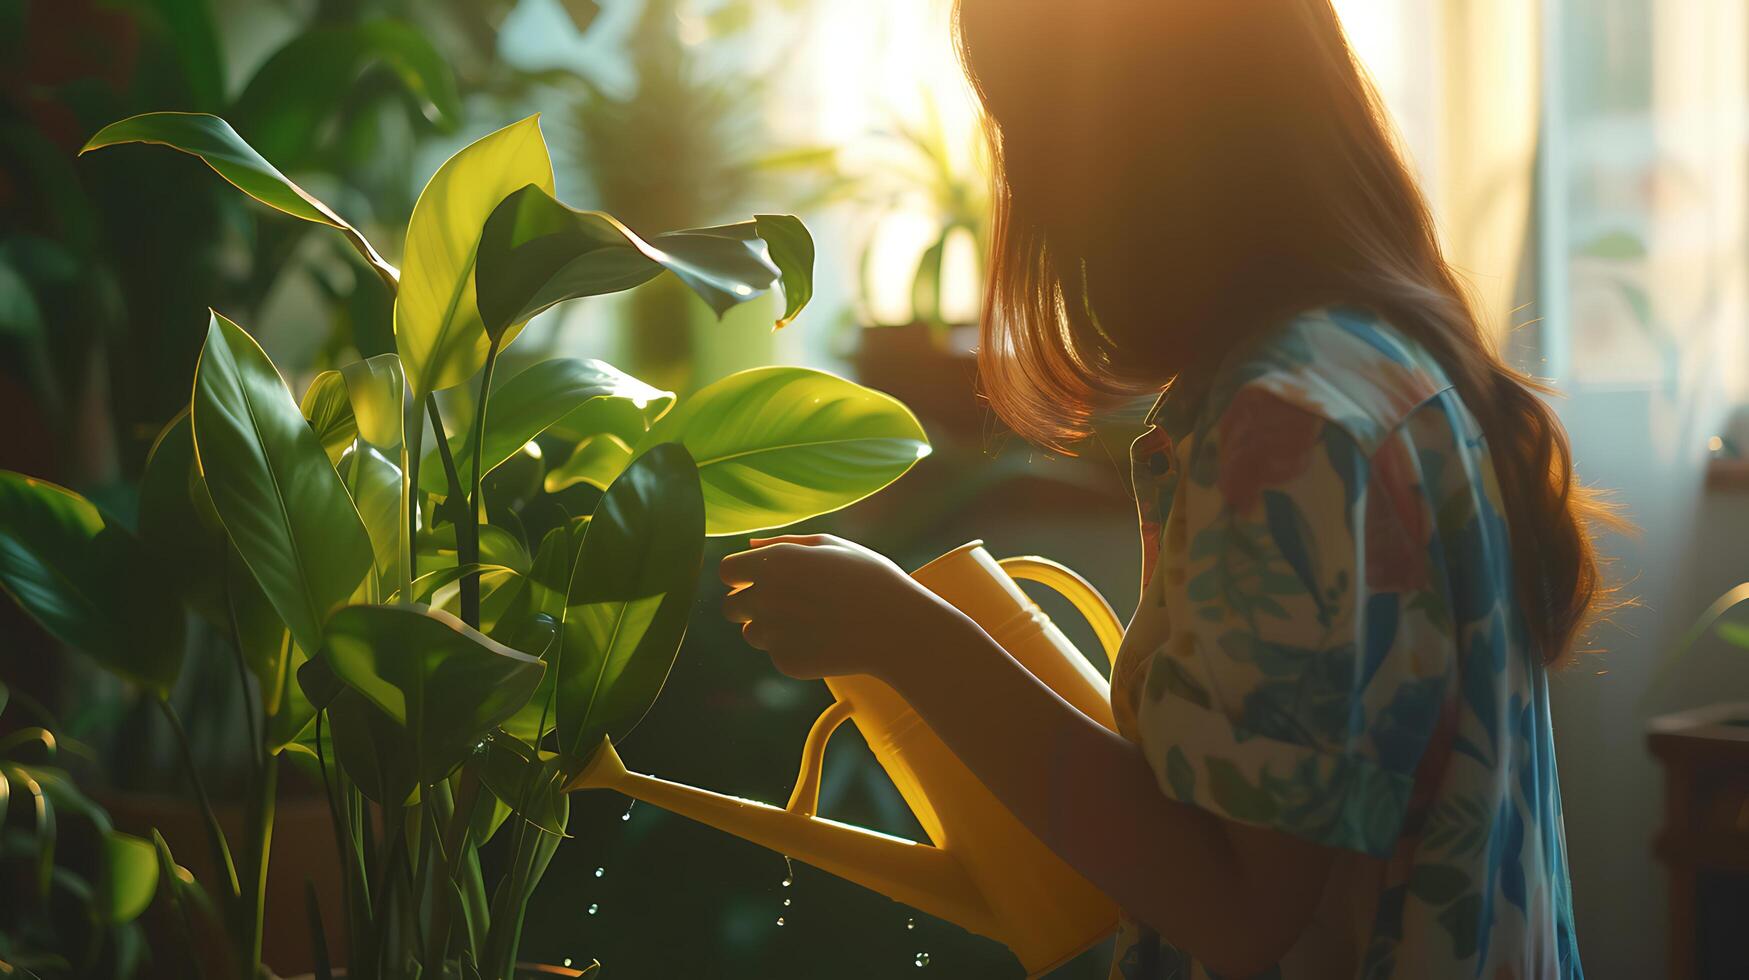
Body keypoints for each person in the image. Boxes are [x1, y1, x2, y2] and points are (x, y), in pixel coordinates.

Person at [720, 2, 1616, 976]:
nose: (1019, 174)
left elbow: (1235, 906)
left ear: (1122, 137)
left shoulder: (1285, 428)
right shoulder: (1385, 365)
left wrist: (909, 635)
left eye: (1022, 124)